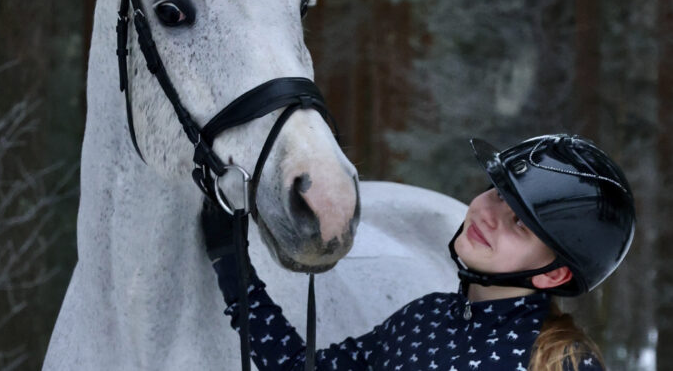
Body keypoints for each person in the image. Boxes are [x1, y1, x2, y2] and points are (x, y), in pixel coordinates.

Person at [203, 134, 635, 371]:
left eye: (520, 224)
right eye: (498, 194)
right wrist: (231, 261)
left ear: (552, 274)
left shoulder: (561, 364)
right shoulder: (423, 318)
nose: (489, 215)